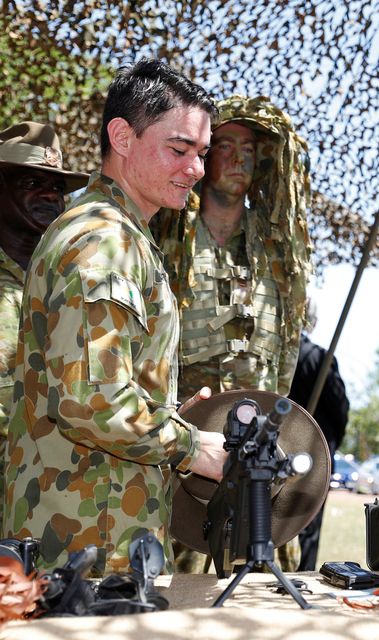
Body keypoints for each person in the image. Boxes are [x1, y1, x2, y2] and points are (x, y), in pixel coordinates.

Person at [2, 59, 228, 576]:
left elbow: (95, 384)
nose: (195, 169)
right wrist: (193, 447)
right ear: (122, 137)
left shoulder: (118, 235)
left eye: (201, 153)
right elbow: (91, 399)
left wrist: (167, 414)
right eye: (178, 149)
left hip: (92, 526)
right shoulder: (106, 242)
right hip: (89, 543)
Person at [151, 94, 312, 572]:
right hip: (186, 460)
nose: (239, 158)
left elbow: (286, 352)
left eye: (250, 149)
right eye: (226, 145)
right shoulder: (169, 239)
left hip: (260, 464)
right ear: (204, 156)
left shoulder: (277, 256)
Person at [0, 121, 89, 525]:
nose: (50, 196)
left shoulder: (75, 282)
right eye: (32, 181)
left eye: (58, 187)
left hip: (53, 504)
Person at [288, 297, 349, 571]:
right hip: (313, 455)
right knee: (307, 527)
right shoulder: (317, 359)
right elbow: (340, 409)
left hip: (277, 453)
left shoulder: (279, 359)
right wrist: (332, 443)